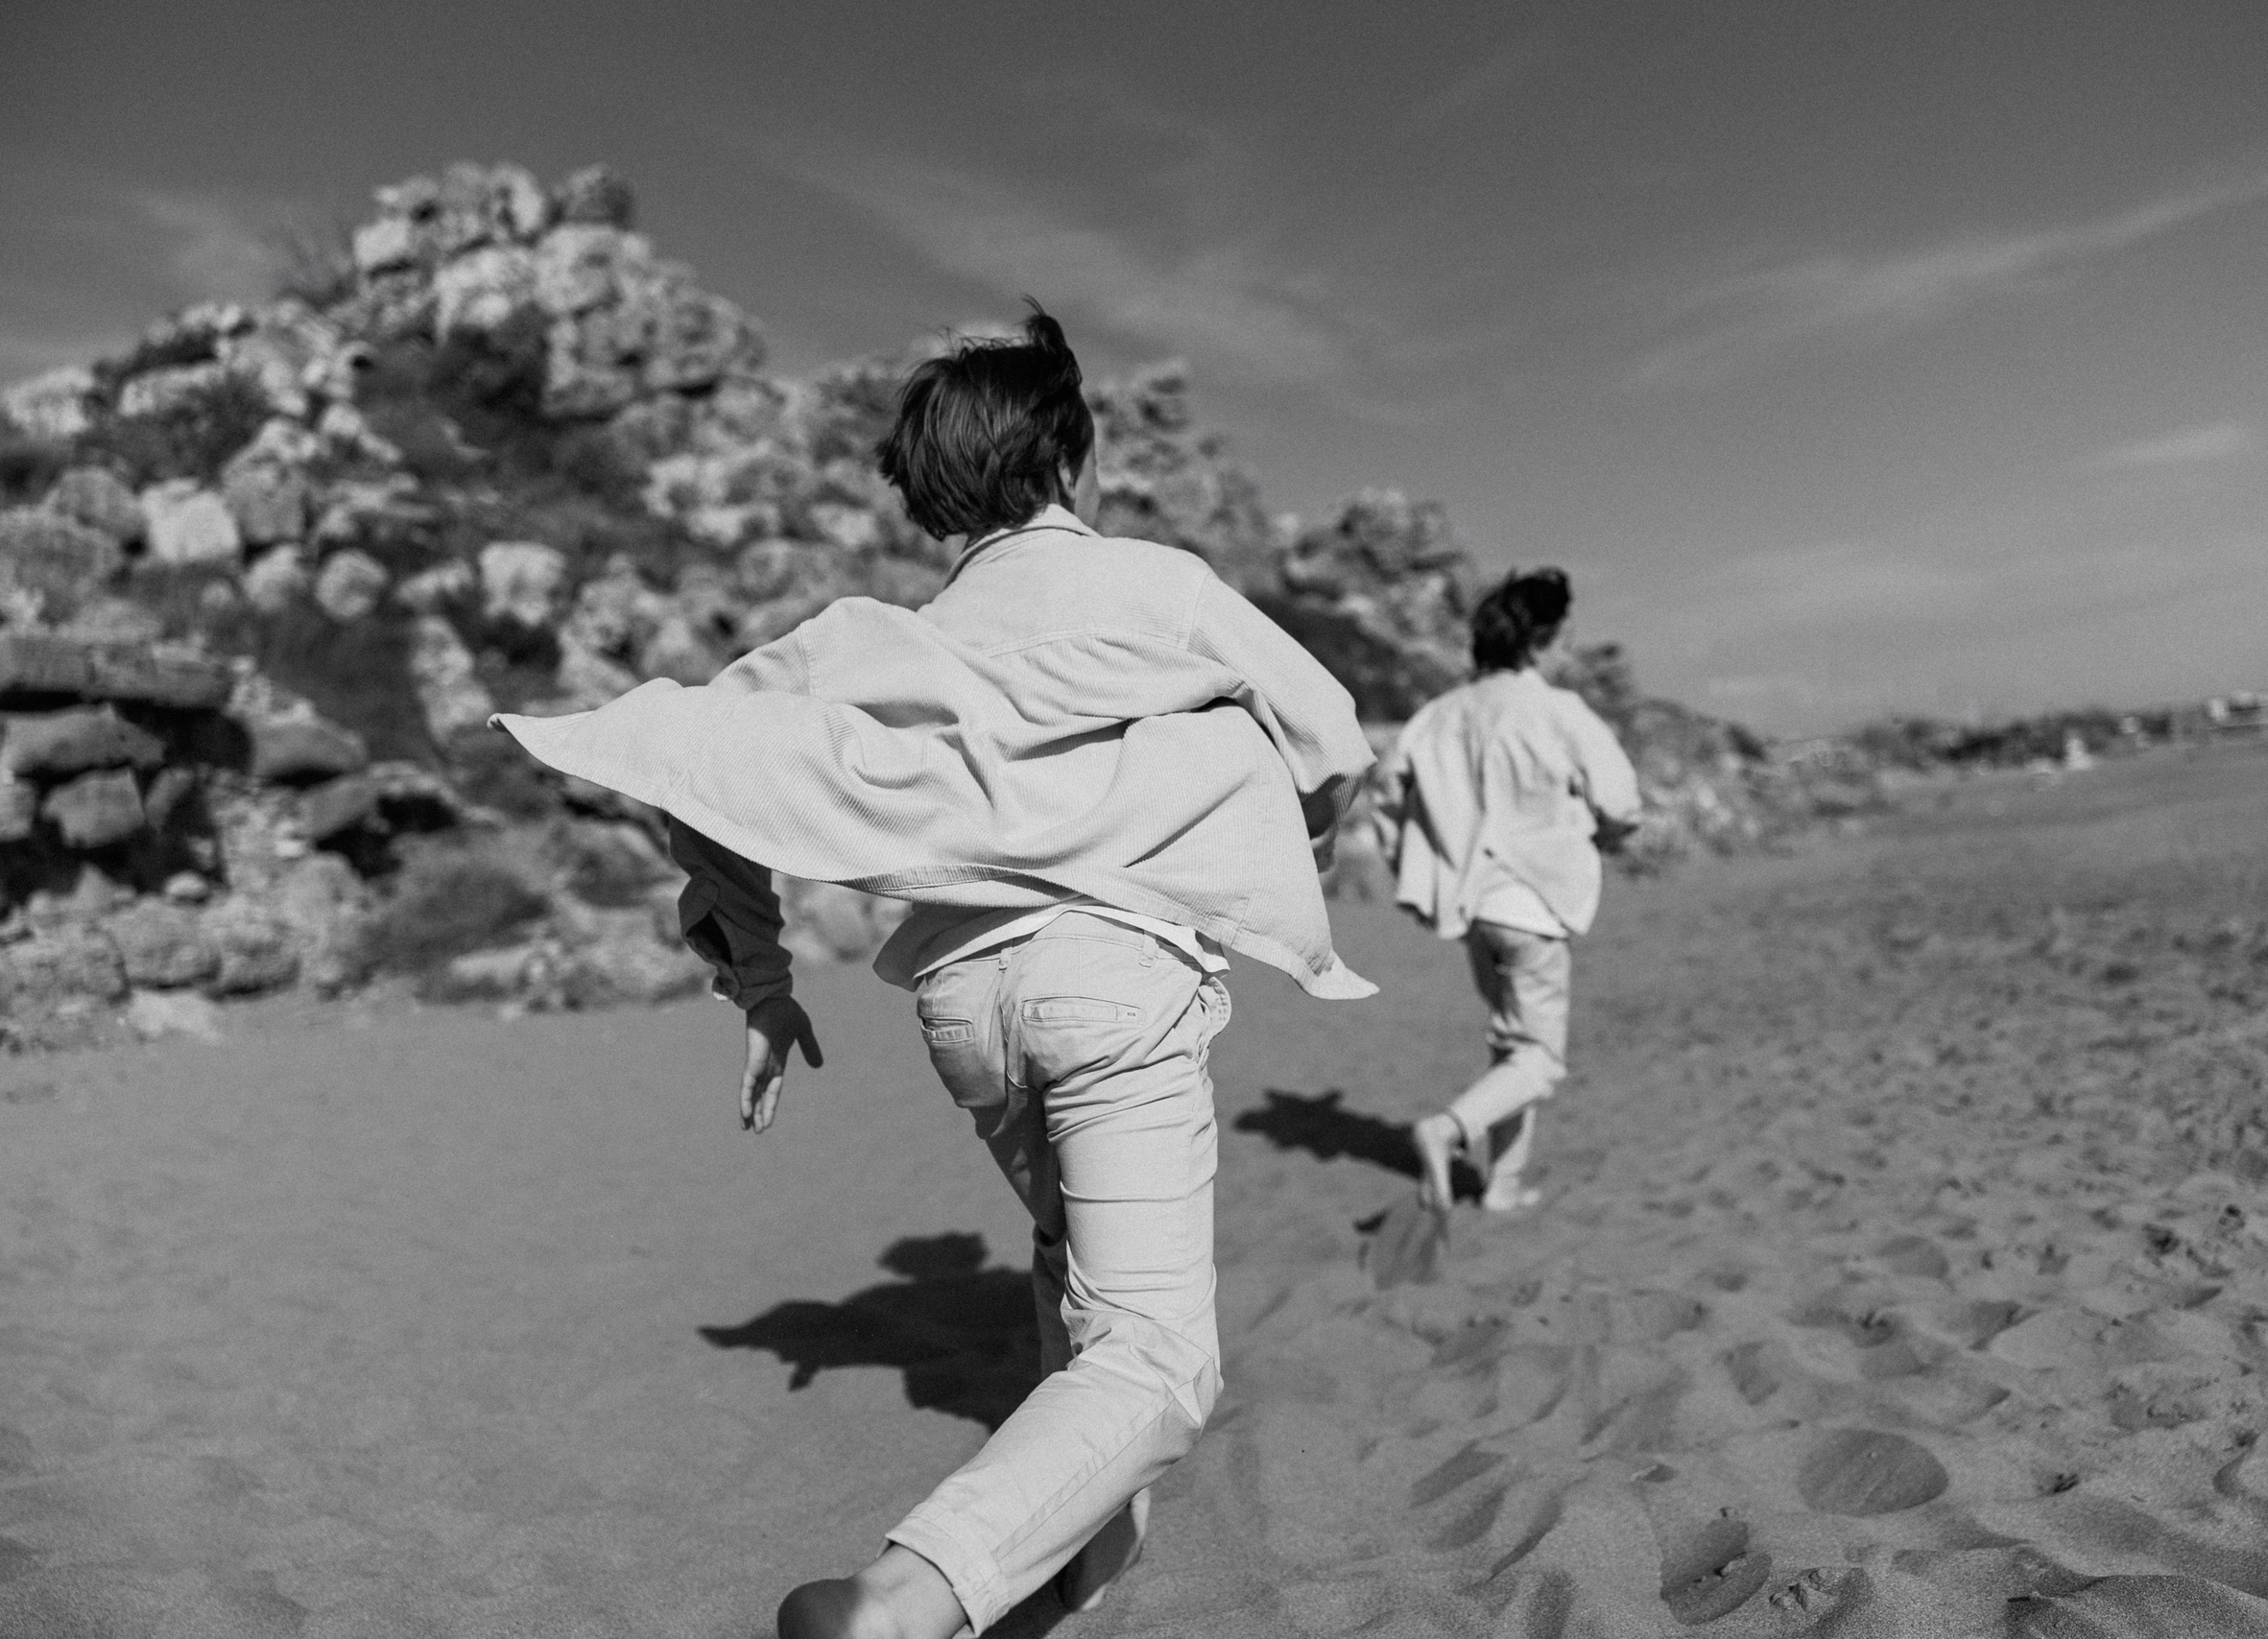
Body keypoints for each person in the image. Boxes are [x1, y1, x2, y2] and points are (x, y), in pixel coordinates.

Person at [491, 305, 1374, 1639]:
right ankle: (899, 1602)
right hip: (1113, 985)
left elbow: (697, 762)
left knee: (1071, 1259)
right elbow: (1336, 740)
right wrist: (1269, 839)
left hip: (964, 1009)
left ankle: (1070, 1573)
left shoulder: (877, 639)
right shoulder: (1160, 586)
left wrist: (761, 980)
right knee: (1157, 1357)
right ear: (1068, 458)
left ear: (931, 492)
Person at [1379, 568, 1640, 1214]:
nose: (1567, 653)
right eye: (1562, 640)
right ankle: (1446, 1129)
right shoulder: (1557, 710)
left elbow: (1388, 796)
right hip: (1534, 904)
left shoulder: (1438, 715)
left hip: (1474, 907)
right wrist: (1604, 835)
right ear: (1537, 642)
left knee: (1511, 1045)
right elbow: (1622, 803)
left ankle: (1503, 1184)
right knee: (1540, 1059)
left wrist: (1416, 867)